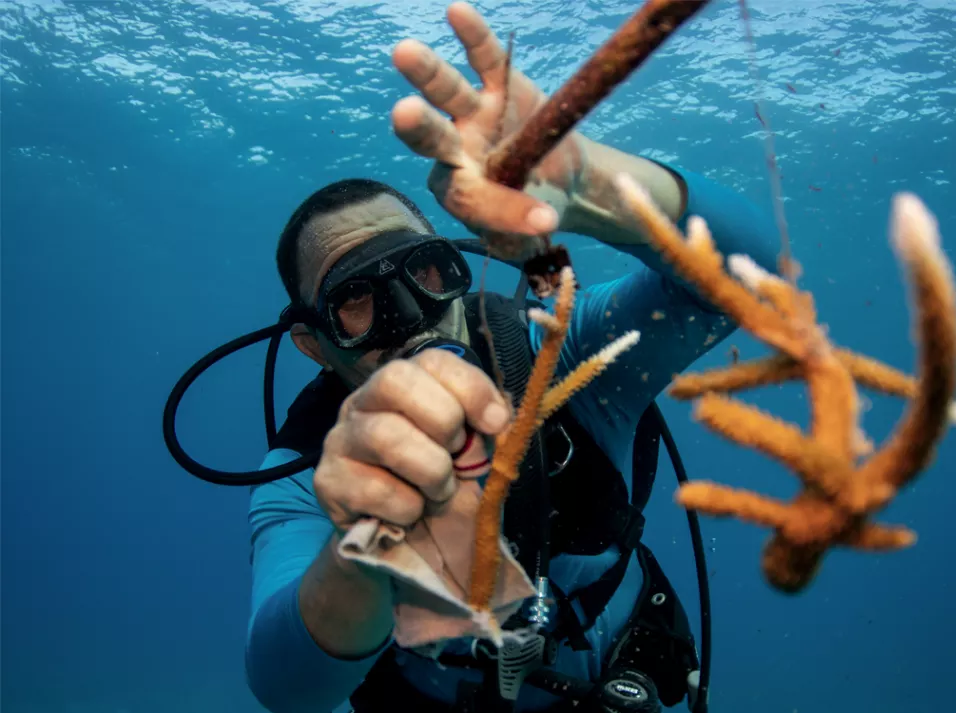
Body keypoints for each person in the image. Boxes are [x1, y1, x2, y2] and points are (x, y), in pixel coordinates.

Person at [234, 4, 781, 712]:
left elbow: (753, 279)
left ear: (457, 264)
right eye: (357, 301)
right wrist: (360, 545)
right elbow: (288, 686)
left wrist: (595, 190)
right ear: (314, 343)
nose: (411, 317)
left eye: (426, 270)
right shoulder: (307, 479)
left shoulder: (561, 351)